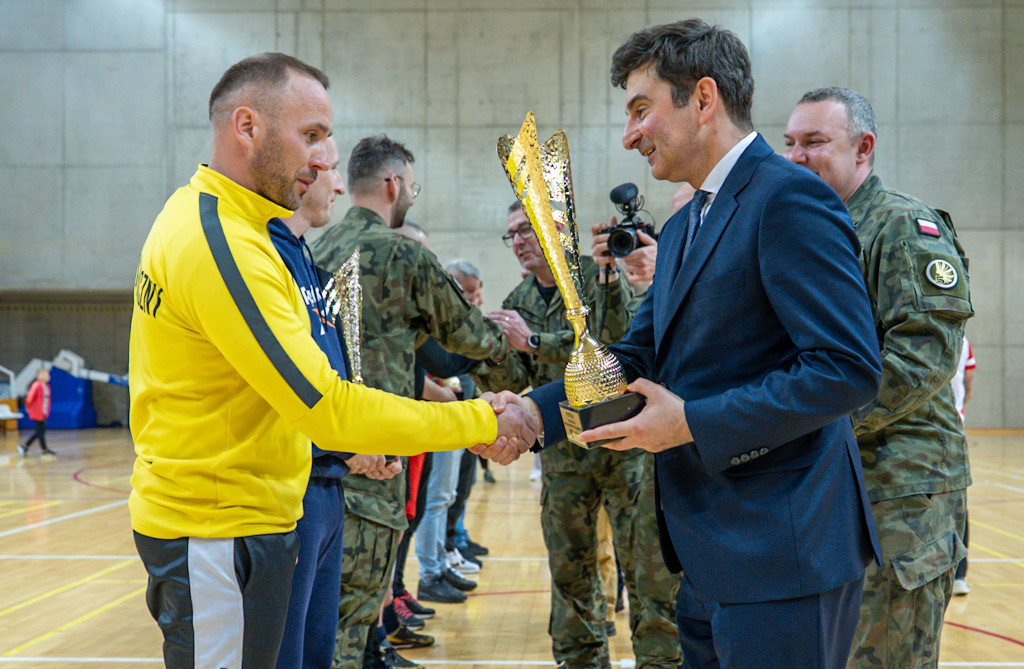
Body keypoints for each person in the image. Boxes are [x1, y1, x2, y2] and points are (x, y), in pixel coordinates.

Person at [128, 53, 535, 669]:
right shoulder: (224, 244)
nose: (326, 163)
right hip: (217, 530)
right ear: (247, 127)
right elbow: (327, 404)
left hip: (255, 513)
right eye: (312, 136)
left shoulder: (237, 225)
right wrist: (480, 420)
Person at [504, 20, 884, 669]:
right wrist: (536, 415)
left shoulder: (789, 199)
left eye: (641, 109)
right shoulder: (683, 226)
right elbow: (639, 358)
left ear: (703, 99)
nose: (629, 135)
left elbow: (846, 369)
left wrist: (690, 422)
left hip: (783, 558)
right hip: (705, 559)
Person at [784, 86, 973, 668]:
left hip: (900, 494)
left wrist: (809, 419)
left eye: (814, 142)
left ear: (863, 147)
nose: (795, 156)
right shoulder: (809, 234)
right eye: (788, 143)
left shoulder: (902, 227)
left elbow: (923, 358)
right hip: (828, 486)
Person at [309, 135, 514, 668]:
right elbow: (466, 334)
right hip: (377, 461)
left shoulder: (314, 250)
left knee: (318, 617)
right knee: (352, 623)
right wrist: (508, 341)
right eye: (411, 187)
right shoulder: (403, 254)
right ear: (393, 184)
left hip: (318, 464)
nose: (411, 198)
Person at [477, 202, 683, 669]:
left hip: (627, 451)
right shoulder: (518, 300)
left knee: (648, 574)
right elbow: (516, 376)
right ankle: (580, 662)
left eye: (526, 229)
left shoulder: (600, 274)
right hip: (564, 460)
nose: (519, 242)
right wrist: (487, 351)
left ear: (555, 229)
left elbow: (616, 348)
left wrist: (534, 340)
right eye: (511, 235)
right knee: (570, 573)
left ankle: (662, 662)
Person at [269, 136, 402, 669]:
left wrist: (354, 448)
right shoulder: (266, 258)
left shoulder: (307, 260)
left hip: (328, 489)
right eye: (329, 170)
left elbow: (330, 385)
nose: (342, 185)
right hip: (291, 493)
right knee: (286, 656)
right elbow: (278, 390)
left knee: (317, 652)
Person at [951, 336, 975, 596]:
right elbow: (970, 387)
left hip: (918, 430)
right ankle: (959, 575)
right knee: (958, 505)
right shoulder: (963, 340)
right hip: (955, 428)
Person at [18, 368, 55, 457]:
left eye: (47, 375)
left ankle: (24, 447)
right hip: (37, 412)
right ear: (38, 376)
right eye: (45, 374)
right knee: (40, 432)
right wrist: (29, 407)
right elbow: (29, 398)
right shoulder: (36, 385)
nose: (47, 376)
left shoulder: (47, 386)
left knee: (40, 432)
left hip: (43, 412)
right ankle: (44, 450)